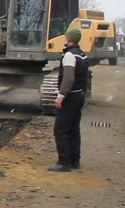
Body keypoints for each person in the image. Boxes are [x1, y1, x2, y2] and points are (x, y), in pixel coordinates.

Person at [48, 28, 89, 172]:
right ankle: (75, 160)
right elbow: (83, 78)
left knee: (60, 130)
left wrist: (60, 97)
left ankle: (64, 162)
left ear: (68, 39)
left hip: (70, 96)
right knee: (73, 129)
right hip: (79, 95)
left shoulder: (69, 55)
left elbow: (68, 78)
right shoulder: (82, 55)